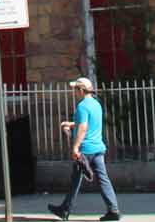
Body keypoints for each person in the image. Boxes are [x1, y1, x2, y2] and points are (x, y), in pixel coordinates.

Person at [48, 76, 119, 222]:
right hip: (98, 148)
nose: (74, 92)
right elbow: (87, 122)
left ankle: (65, 210)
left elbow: (84, 126)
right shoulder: (96, 104)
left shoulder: (81, 106)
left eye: (75, 89)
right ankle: (113, 210)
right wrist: (71, 124)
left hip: (85, 151)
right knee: (103, 179)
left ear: (81, 90)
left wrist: (75, 147)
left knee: (75, 180)